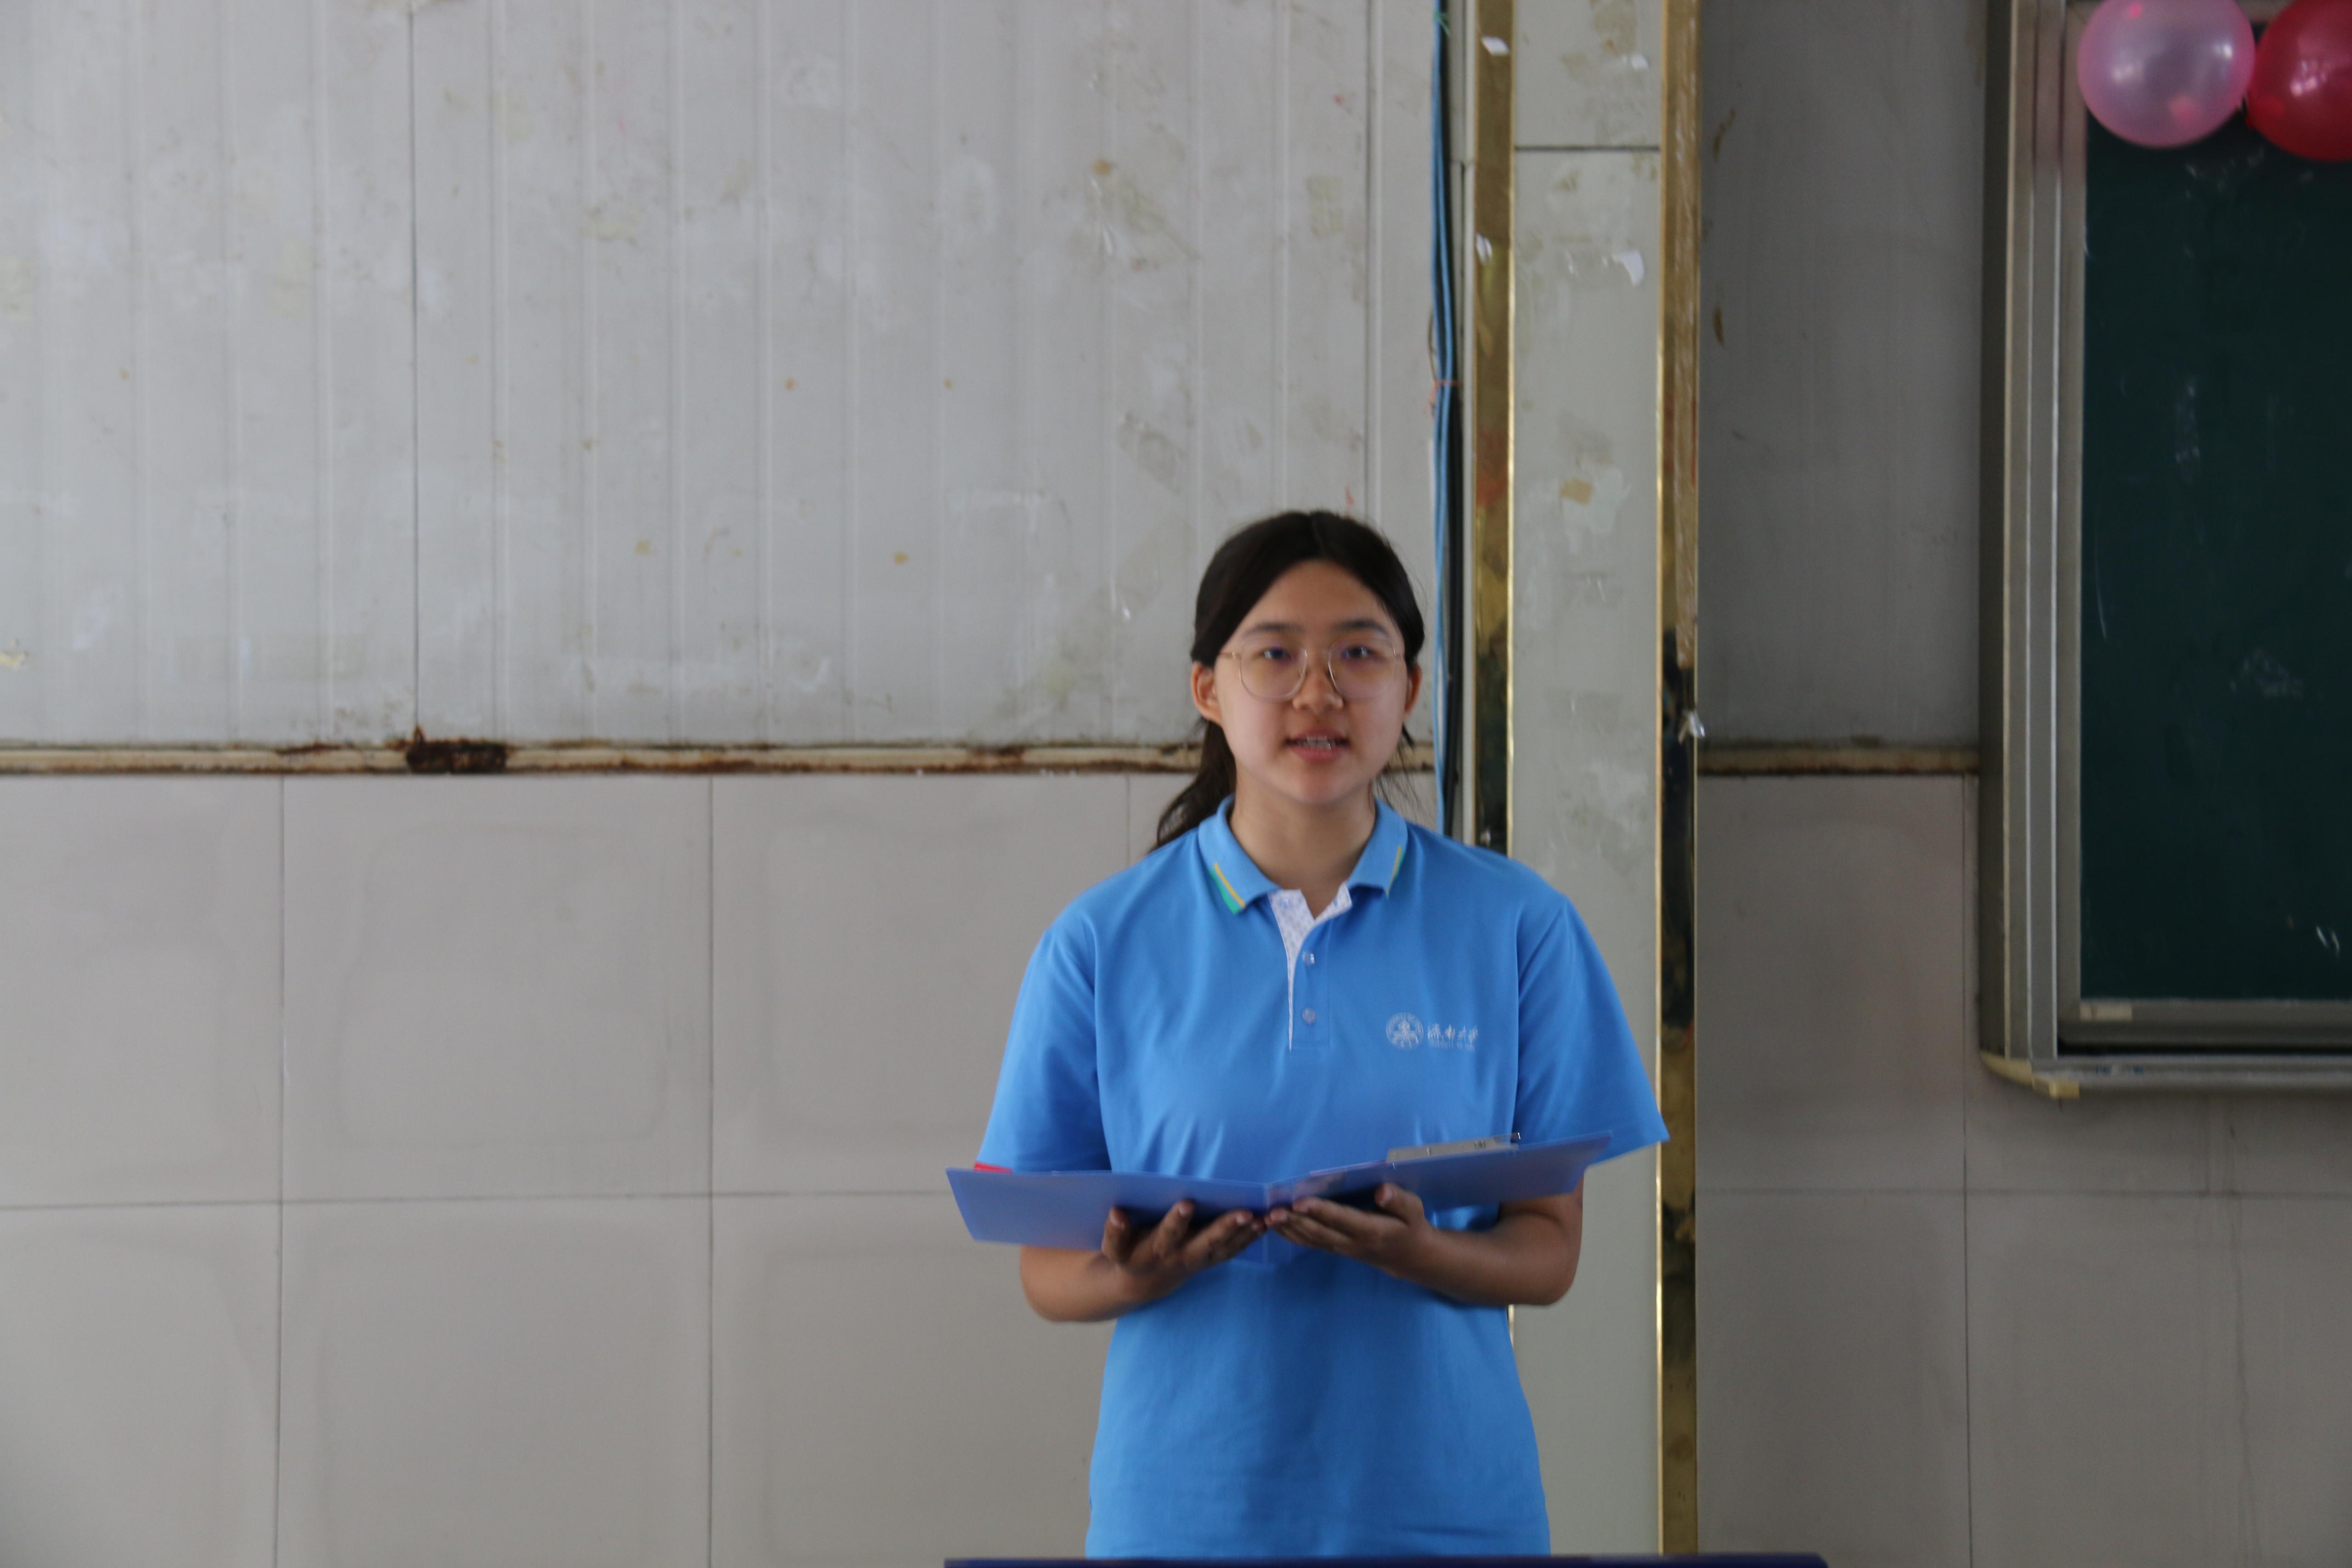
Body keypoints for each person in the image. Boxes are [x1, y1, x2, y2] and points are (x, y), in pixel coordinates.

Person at [975, 511, 1667, 1557]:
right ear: (1208, 688)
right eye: (1274, 655)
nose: (1318, 693)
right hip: (1186, 1519)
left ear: (1411, 688)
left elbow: (1548, 1250)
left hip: (1450, 1518)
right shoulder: (1102, 941)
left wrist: (1423, 1251)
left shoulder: (1519, 926)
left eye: (1358, 653)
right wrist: (1137, 1275)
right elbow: (1045, 1266)